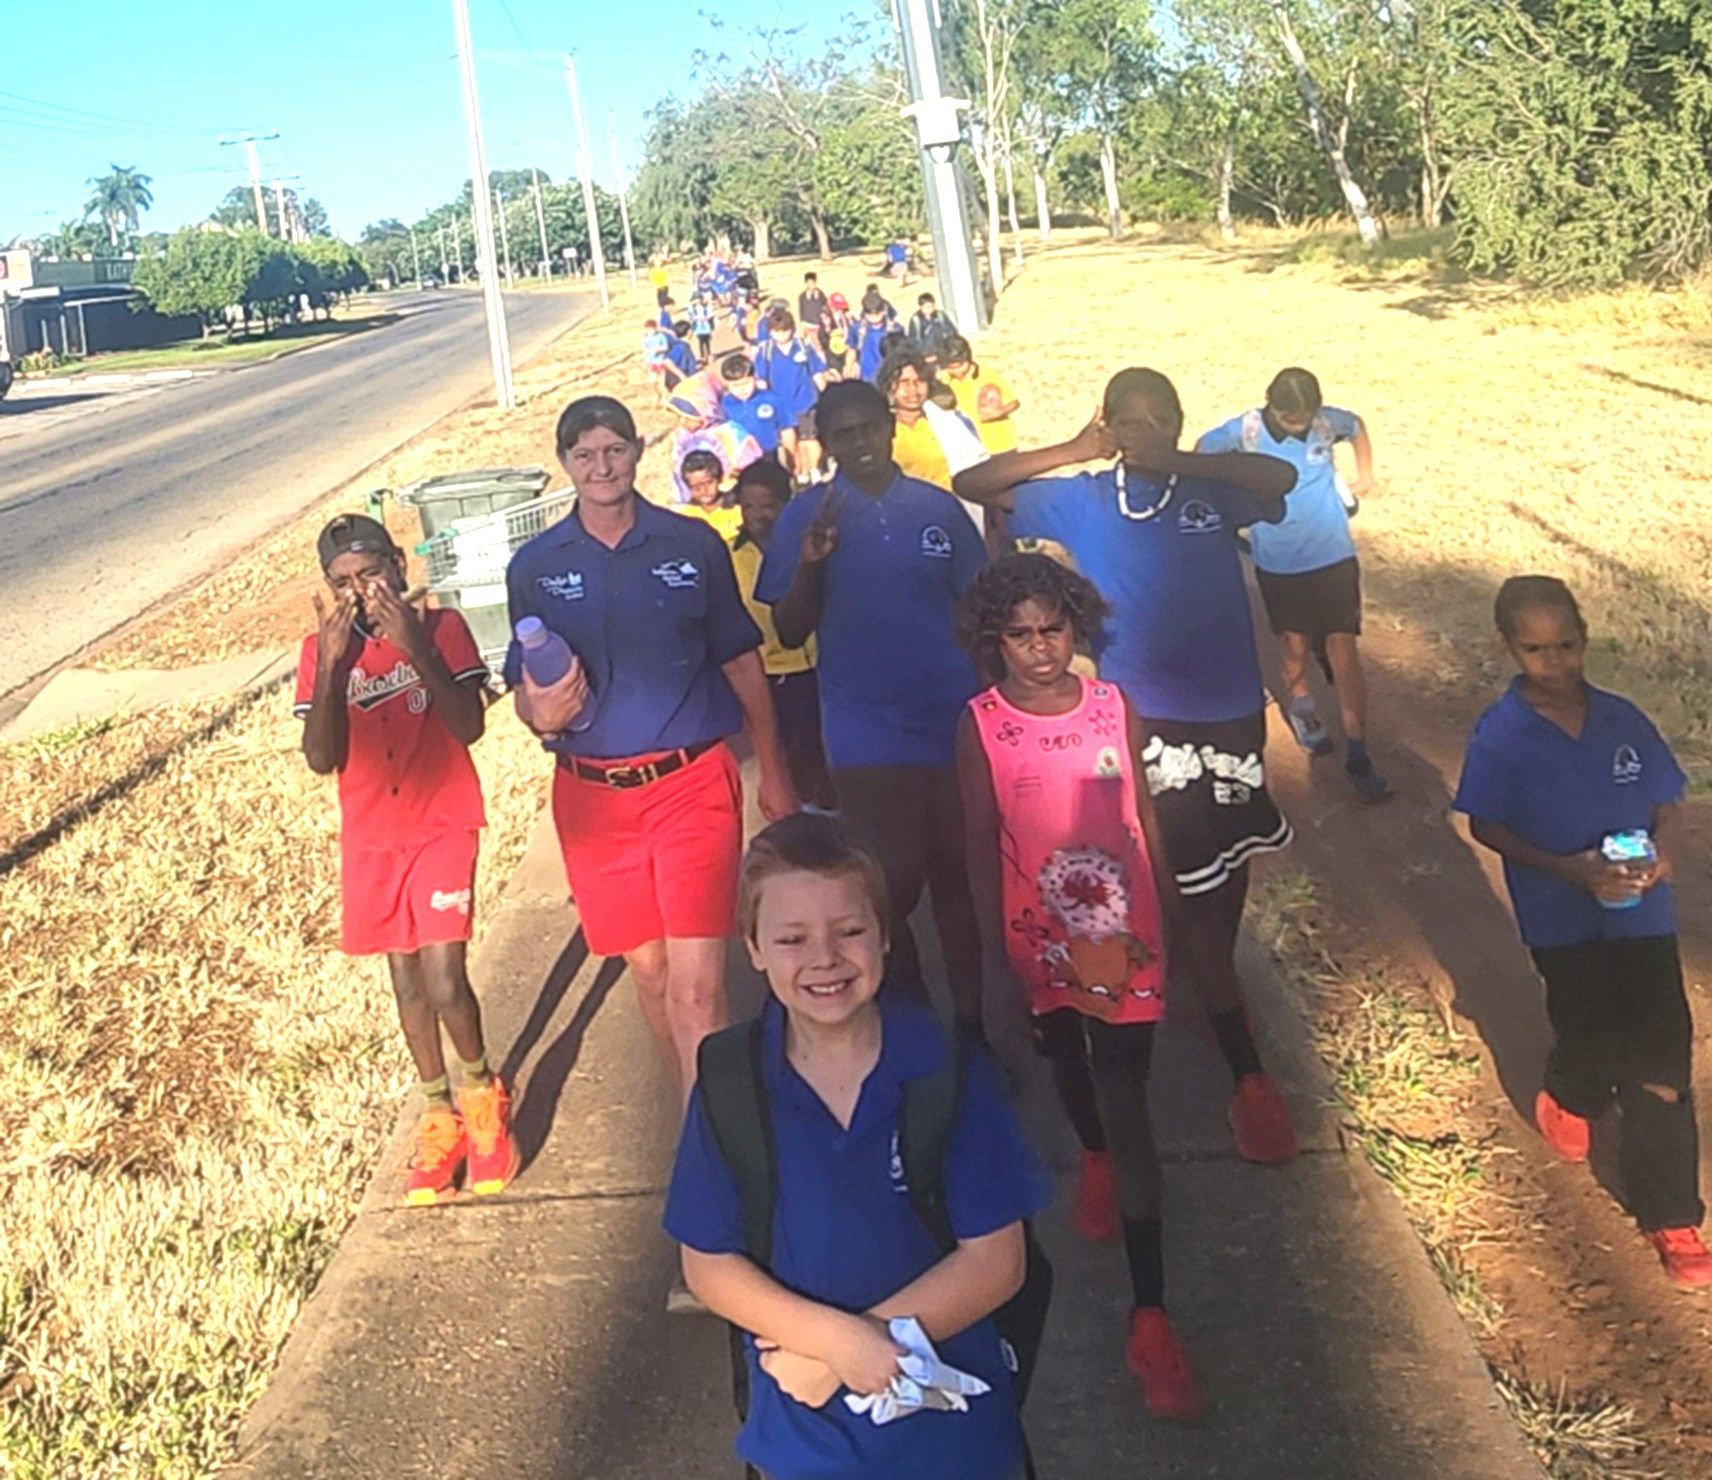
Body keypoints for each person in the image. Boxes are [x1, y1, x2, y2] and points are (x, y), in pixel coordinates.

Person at [953, 368, 1304, 1162]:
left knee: (1224, 887)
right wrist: (1080, 446)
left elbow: (1277, 477)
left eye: (1161, 417)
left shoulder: (1210, 493)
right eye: (1129, 419)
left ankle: (1195, 988)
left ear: (1182, 422)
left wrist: (1176, 462)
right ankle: (1248, 1075)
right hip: (1139, 720)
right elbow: (975, 481)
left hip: (1230, 714)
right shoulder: (1082, 496)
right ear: (1108, 421)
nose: (1146, 429)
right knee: (1175, 885)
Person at [665, 814, 1051, 1480]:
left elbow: (996, 1262)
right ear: (751, 946)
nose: (824, 958)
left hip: (949, 1438)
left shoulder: (946, 1069)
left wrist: (856, 1349)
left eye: (849, 931)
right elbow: (708, 1265)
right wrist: (838, 1344)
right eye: (791, 938)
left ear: (885, 935)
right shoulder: (732, 1082)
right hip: (801, 1440)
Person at [956, 554, 1201, 1420]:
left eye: (1052, 630)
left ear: (1076, 627)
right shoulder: (982, 724)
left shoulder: (1114, 707)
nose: (1039, 650)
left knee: (1127, 1094)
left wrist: (1178, 919)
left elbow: (1144, 815)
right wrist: (991, 969)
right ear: (995, 642)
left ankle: (1152, 1313)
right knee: (1070, 1067)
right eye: (1018, 636)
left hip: (1127, 936)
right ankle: (1089, 1148)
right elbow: (981, 848)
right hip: (1038, 941)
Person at [505, 395, 798, 1116]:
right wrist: (531, 708)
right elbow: (524, 683)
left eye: (614, 450)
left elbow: (740, 660)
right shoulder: (536, 564)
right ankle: (703, 1122)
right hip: (592, 798)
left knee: (701, 988)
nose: (601, 467)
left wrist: (777, 770)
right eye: (584, 455)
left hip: (689, 784)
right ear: (566, 464)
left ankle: (724, 1171)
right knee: (652, 971)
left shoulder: (690, 545)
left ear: (637, 452)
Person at [1454, 576, 1712, 1289]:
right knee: (1592, 1036)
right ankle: (1571, 1092)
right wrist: (1566, 870)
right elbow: (1486, 823)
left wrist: (1661, 858)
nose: (1555, 662)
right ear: (1509, 648)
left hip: (1643, 919)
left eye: (1566, 645)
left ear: (1585, 639)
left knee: (1661, 1058)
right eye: (1536, 650)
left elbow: (1671, 803)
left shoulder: (1623, 720)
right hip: (1563, 923)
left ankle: (1672, 1217)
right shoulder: (1501, 734)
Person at [296, 514, 517, 1205]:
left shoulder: (442, 627)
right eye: (344, 583)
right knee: (407, 981)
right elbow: (321, 757)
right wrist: (333, 666)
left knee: (446, 974)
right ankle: (437, 1110)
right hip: (372, 833)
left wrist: (415, 645)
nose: (361, 592)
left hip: (442, 819)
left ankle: (482, 1097)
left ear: (398, 564)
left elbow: (469, 725)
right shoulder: (320, 650)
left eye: (371, 574)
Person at [757, 381, 989, 1040]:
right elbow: (792, 630)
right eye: (844, 435)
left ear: (891, 426)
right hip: (867, 734)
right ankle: (911, 1024)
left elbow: (976, 613)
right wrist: (809, 568)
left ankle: (971, 1031)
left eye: (869, 428)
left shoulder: (938, 510)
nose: (860, 444)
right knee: (883, 892)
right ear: (826, 446)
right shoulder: (808, 518)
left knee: (960, 888)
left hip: (954, 722)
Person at [1197, 367, 1387, 800]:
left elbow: (1356, 426)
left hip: (1333, 553)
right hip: (1280, 562)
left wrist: (1366, 474)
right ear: (1272, 405)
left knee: (1344, 649)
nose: (1299, 424)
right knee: (1294, 647)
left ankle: (1358, 749)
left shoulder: (1326, 421)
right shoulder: (1243, 431)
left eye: (1305, 415)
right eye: (1290, 417)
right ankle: (1303, 709)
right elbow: (1203, 454)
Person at [730, 459, 833, 809]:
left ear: (786, 504)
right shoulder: (728, 556)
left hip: (815, 665)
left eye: (768, 506)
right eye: (748, 506)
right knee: (783, 754)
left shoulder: (811, 548)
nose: (757, 515)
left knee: (823, 752)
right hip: (765, 674)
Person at [875, 347, 991, 534]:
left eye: (919, 381)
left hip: (952, 516)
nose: (912, 389)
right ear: (889, 386)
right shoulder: (879, 431)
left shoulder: (949, 423)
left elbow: (979, 467)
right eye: (904, 382)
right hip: (902, 521)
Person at [753, 307, 830, 480]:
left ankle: (816, 470)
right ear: (770, 332)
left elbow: (816, 372)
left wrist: (826, 394)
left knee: (810, 438)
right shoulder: (765, 352)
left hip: (805, 402)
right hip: (781, 407)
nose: (781, 335)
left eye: (785, 330)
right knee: (789, 443)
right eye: (776, 331)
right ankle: (799, 473)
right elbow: (761, 379)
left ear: (792, 329)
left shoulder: (803, 347)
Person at [940, 335, 1020, 455]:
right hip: (970, 449)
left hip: (1000, 445)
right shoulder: (943, 380)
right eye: (951, 368)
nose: (957, 372)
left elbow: (1014, 402)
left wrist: (998, 413)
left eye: (960, 366)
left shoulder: (988, 376)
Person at [719, 352, 786, 461]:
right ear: (726, 384)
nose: (742, 389)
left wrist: (792, 456)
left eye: (745, 383)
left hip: (768, 456)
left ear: (754, 378)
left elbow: (787, 429)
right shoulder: (723, 405)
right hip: (738, 458)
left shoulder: (771, 398)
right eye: (735, 386)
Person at [679, 448, 744, 541]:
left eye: (709, 482)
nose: (703, 490)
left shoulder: (738, 508)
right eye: (696, 487)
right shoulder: (685, 517)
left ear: (719, 479)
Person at [852, 291, 897, 383]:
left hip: (888, 378)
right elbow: (852, 349)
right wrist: (850, 366)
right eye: (870, 315)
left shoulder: (895, 330)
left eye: (877, 314)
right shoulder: (857, 329)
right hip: (865, 378)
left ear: (883, 311)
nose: (874, 318)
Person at [906, 293, 959, 367]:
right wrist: (923, 356)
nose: (930, 309)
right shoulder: (916, 320)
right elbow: (913, 340)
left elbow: (952, 331)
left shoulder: (940, 316)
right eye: (927, 307)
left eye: (932, 306)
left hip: (944, 352)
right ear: (921, 306)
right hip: (926, 356)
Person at [821, 291, 855, 376]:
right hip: (833, 358)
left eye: (842, 309)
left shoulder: (847, 319)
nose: (840, 311)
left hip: (847, 354)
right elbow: (823, 341)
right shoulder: (825, 322)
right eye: (837, 309)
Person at [798, 271, 829, 351]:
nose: (812, 286)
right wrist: (802, 325)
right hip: (808, 325)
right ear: (806, 283)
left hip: (819, 325)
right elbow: (801, 311)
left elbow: (825, 308)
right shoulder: (802, 297)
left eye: (813, 283)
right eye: (809, 283)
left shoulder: (821, 295)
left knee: (820, 346)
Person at [664, 321, 700, 387]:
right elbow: (667, 362)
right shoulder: (680, 347)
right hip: (680, 384)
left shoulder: (684, 345)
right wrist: (682, 376)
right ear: (689, 332)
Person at [641, 318, 672, 385]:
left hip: (661, 360)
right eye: (648, 329)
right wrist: (645, 359)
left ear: (655, 328)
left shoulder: (661, 336)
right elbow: (645, 350)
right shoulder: (645, 338)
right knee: (652, 380)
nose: (650, 331)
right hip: (651, 361)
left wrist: (657, 349)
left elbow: (666, 347)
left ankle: (664, 392)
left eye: (652, 329)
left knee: (663, 380)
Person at [690, 295, 716, 364]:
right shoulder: (692, 308)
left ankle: (709, 354)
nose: (697, 301)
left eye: (698, 299)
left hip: (706, 326)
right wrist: (696, 319)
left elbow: (711, 315)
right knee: (701, 342)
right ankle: (703, 356)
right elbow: (691, 317)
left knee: (707, 341)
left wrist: (706, 318)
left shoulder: (706, 307)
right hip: (698, 328)